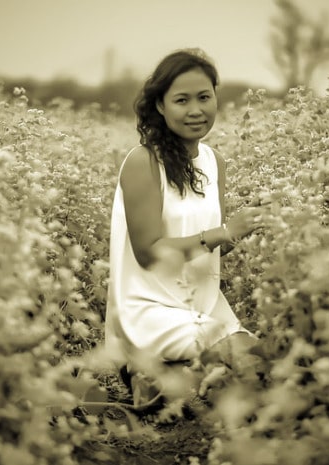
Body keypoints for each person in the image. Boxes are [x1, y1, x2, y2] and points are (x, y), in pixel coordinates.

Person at [105, 48, 269, 407]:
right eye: (181, 100)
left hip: (204, 304)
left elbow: (213, 248)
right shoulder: (143, 161)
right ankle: (145, 366)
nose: (196, 110)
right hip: (148, 308)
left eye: (204, 97)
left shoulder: (214, 162)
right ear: (160, 106)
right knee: (239, 370)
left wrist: (252, 230)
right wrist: (223, 232)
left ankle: (162, 376)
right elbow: (149, 253)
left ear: (215, 98)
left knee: (259, 367)